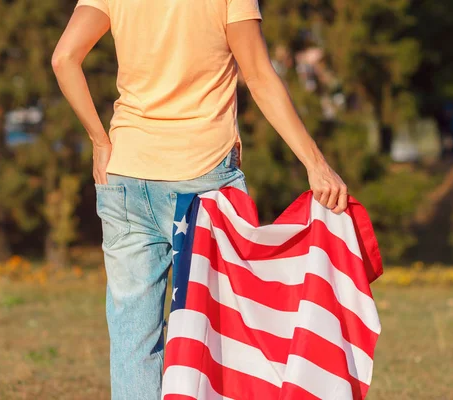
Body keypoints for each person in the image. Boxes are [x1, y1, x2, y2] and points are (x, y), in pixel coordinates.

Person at [52, 1, 348, 398]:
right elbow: (259, 75)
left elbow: (64, 58)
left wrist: (99, 142)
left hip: (125, 174)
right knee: (223, 337)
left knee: (133, 338)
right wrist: (316, 163)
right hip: (204, 180)